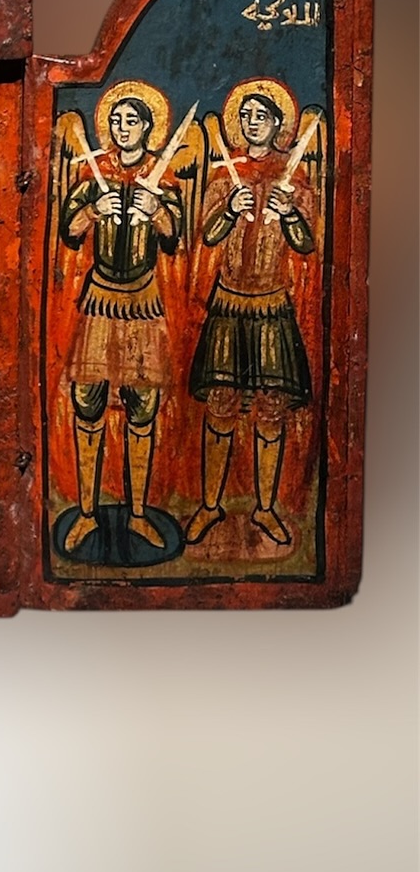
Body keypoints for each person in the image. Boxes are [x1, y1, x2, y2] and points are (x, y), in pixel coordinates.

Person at [186, 81, 315, 546]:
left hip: (271, 302)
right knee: (221, 402)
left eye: (262, 115)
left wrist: (291, 214)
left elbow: (306, 243)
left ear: (279, 124)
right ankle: (210, 505)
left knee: (271, 405)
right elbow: (208, 235)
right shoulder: (226, 174)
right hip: (229, 301)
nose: (252, 122)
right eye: (246, 115)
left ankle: (265, 508)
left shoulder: (294, 177)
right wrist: (228, 211)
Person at [57, 82, 182, 553]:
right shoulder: (94, 174)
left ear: (148, 128)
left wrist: (157, 212)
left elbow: (174, 236)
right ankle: (87, 514)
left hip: (142, 303)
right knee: (87, 402)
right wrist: (93, 210)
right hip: (100, 301)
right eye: (116, 120)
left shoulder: (162, 177)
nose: (122, 128)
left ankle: (138, 514)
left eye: (132, 121)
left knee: (142, 408)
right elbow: (69, 231)